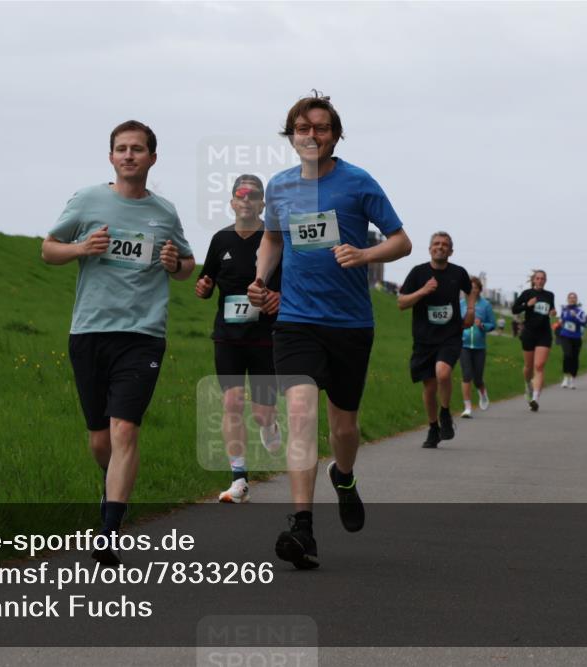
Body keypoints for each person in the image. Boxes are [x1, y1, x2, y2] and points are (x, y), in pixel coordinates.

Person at [249, 92, 412, 569]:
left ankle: (344, 475)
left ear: (335, 135)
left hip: (350, 323)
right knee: (300, 411)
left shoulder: (358, 182)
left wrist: (365, 255)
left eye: (321, 128)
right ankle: (302, 526)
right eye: (303, 128)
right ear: (291, 135)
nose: (312, 135)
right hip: (296, 320)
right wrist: (260, 280)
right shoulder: (279, 187)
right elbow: (273, 238)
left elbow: (401, 241)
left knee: (343, 426)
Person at [41, 120, 195, 566]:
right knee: (99, 439)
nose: (129, 155)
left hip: (143, 334)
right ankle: (111, 490)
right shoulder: (88, 200)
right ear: (111, 157)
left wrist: (174, 264)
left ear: (152, 157)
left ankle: (109, 530)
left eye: (138, 149)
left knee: (124, 428)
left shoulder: (164, 213)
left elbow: (186, 264)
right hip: (90, 331)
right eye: (121, 149)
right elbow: (48, 250)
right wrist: (82, 249)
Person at [196, 175, 283, 503]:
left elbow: (288, 284)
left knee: (262, 413)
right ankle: (239, 479)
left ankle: (270, 425)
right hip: (228, 337)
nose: (246, 201)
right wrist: (203, 289)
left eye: (253, 196)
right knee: (231, 402)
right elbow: (207, 280)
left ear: (262, 203)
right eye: (240, 195)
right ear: (232, 202)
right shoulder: (221, 240)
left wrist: (277, 297)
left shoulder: (272, 238)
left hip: (264, 338)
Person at [398, 233, 478, 446]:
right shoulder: (419, 272)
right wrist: (423, 291)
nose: (440, 247)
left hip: (450, 336)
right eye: (436, 244)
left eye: (445, 245)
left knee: (443, 372)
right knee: (429, 387)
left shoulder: (458, 273)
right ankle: (433, 428)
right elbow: (402, 303)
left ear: (451, 251)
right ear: (430, 248)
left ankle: (445, 413)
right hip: (424, 338)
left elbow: (471, 291)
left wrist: (470, 310)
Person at [511, 270, 556, 412]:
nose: (540, 280)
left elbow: (551, 309)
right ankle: (527, 385)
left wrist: (553, 312)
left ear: (545, 280)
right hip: (529, 332)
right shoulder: (527, 293)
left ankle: (535, 398)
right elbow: (514, 310)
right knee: (528, 367)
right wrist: (527, 305)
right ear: (534, 280)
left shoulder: (549, 295)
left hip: (544, 333)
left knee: (539, 366)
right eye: (538, 278)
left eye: (543, 278)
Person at [458, 276, 495, 418]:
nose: (473, 290)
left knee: (477, 378)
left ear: (479, 290)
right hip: (464, 345)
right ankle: (467, 407)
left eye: (475, 288)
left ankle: (483, 393)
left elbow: (493, 324)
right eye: (470, 287)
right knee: (466, 375)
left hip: (479, 347)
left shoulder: (485, 305)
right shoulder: (461, 304)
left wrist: (483, 325)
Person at [557, 292, 587, 389]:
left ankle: (572, 379)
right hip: (565, 335)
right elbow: (561, 320)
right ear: (568, 299)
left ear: (576, 300)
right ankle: (565, 378)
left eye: (574, 298)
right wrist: (561, 322)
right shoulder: (564, 310)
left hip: (576, 337)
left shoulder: (580, 311)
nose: (572, 299)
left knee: (574, 358)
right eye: (570, 298)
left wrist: (576, 316)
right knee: (567, 355)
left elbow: (584, 323)